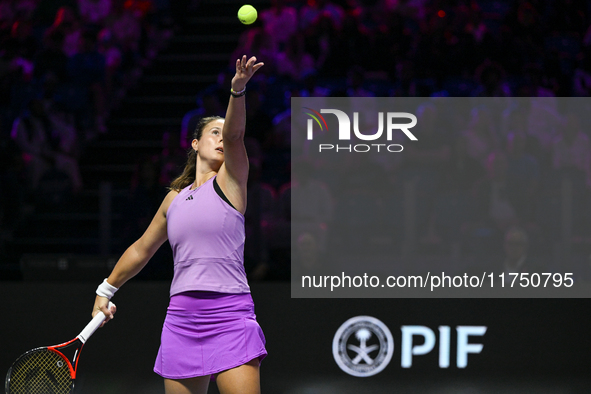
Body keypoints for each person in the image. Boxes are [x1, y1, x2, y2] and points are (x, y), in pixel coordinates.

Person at [91, 55, 266, 394]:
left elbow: (235, 136)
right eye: (212, 131)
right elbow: (142, 249)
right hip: (181, 321)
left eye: (223, 131)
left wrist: (237, 91)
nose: (221, 137)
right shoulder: (173, 199)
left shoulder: (231, 181)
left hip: (230, 316)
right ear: (195, 143)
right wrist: (106, 289)